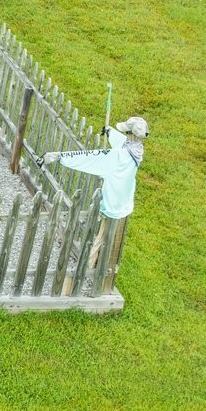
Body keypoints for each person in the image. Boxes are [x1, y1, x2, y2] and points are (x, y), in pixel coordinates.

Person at [41, 117, 149, 288]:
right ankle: (94, 266)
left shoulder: (118, 156)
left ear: (130, 134)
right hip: (124, 201)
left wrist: (59, 157)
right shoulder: (136, 151)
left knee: (101, 237)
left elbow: (89, 158)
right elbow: (122, 141)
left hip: (111, 202)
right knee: (106, 237)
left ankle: (86, 269)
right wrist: (110, 131)